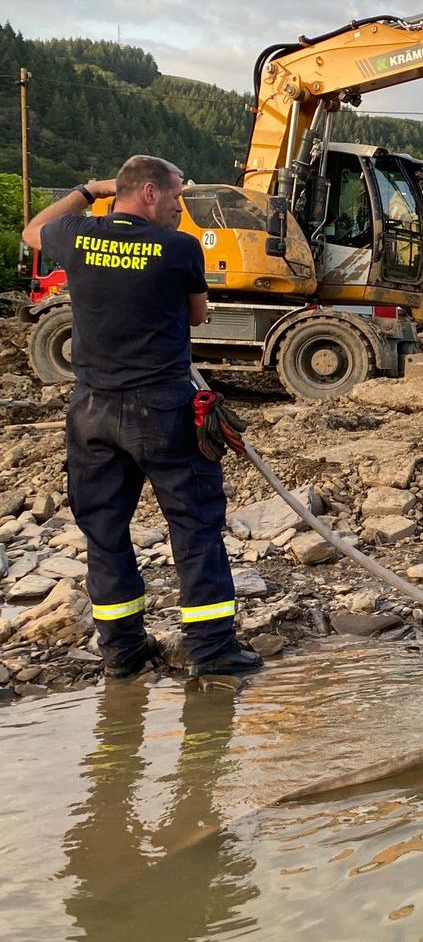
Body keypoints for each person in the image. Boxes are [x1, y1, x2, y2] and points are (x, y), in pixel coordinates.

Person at [21, 156, 261, 682]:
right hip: (161, 407)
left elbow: (32, 230)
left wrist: (89, 189)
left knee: (105, 531)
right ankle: (211, 649)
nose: (180, 207)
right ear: (149, 192)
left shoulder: (78, 234)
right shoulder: (178, 248)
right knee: (194, 525)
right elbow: (198, 315)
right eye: (175, 197)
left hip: (92, 409)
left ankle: (124, 650)